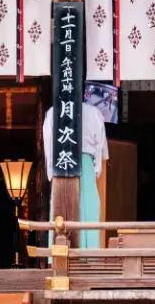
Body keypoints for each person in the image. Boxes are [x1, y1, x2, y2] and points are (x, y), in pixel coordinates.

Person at [42, 100, 110, 248]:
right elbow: (101, 151)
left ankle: (59, 253)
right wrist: (96, 170)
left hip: (60, 165)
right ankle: (89, 258)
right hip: (85, 163)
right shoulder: (94, 113)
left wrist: (51, 173)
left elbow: (48, 148)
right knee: (87, 210)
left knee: (60, 212)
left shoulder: (53, 112)